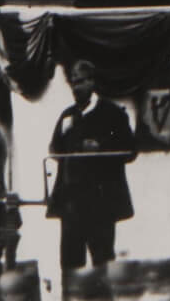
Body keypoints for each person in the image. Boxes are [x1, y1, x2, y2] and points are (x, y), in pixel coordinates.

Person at [48, 61, 138, 270]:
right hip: (72, 203)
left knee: (103, 262)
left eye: (80, 82)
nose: (75, 87)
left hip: (101, 202)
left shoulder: (113, 114)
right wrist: (59, 145)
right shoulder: (67, 115)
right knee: (70, 264)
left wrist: (101, 147)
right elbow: (54, 148)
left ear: (92, 82)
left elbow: (131, 150)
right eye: (72, 82)